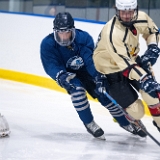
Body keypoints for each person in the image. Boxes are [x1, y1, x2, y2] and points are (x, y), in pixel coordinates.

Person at [40, 12, 146, 140]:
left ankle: (126, 122)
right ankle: (89, 122)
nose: (63, 36)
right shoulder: (47, 44)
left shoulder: (84, 38)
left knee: (105, 93)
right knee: (77, 91)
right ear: (55, 31)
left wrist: (98, 77)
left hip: (86, 71)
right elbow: (51, 65)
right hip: (68, 74)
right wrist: (60, 76)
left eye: (66, 32)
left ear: (72, 30)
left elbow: (90, 60)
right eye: (60, 32)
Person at [93, 0, 160, 133]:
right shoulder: (112, 33)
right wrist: (145, 79)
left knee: (153, 96)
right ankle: (129, 115)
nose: (127, 15)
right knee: (137, 111)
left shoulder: (141, 17)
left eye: (130, 11)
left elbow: (152, 31)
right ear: (117, 10)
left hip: (131, 60)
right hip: (111, 69)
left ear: (135, 9)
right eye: (123, 12)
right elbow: (126, 66)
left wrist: (152, 46)